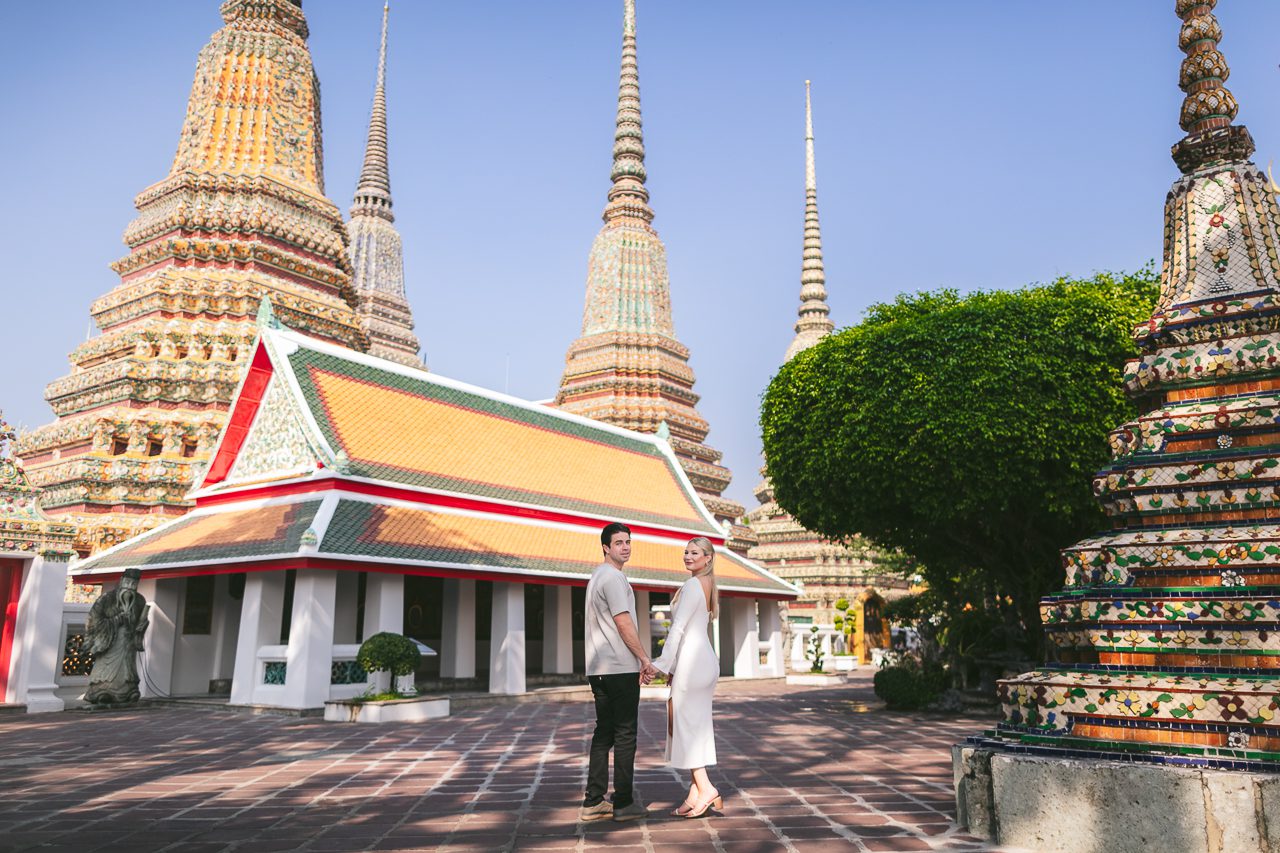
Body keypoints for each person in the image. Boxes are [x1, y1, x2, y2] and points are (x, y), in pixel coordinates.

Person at [579, 522, 654, 822]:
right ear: (606, 547)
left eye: (628, 541)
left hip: (598, 668)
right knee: (625, 735)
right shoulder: (613, 578)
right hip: (619, 667)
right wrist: (643, 658)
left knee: (604, 734)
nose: (625, 546)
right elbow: (623, 622)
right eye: (619, 542)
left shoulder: (597, 576)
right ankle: (623, 802)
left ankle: (593, 801)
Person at [647, 536, 723, 818]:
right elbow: (690, 629)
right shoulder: (708, 584)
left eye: (695, 552)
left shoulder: (693, 585)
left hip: (693, 664)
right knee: (693, 724)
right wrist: (674, 668)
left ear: (708, 558)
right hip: (701, 662)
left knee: (685, 724)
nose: (688, 556)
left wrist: (662, 664)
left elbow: (678, 629)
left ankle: (705, 788)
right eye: (686, 552)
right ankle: (694, 791)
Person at [84, 567, 149, 705]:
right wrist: (117, 620)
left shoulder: (139, 601)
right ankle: (101, 691)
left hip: (127, 643)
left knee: (128, 669)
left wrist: (141, 626)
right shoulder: (106, 599)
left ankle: (129, 691)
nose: (130, 588)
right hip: (110, 641)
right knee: (106, 669)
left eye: (134, 585)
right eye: (128, 583)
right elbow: (94, 620)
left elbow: (140, 623)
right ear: (121, 582)